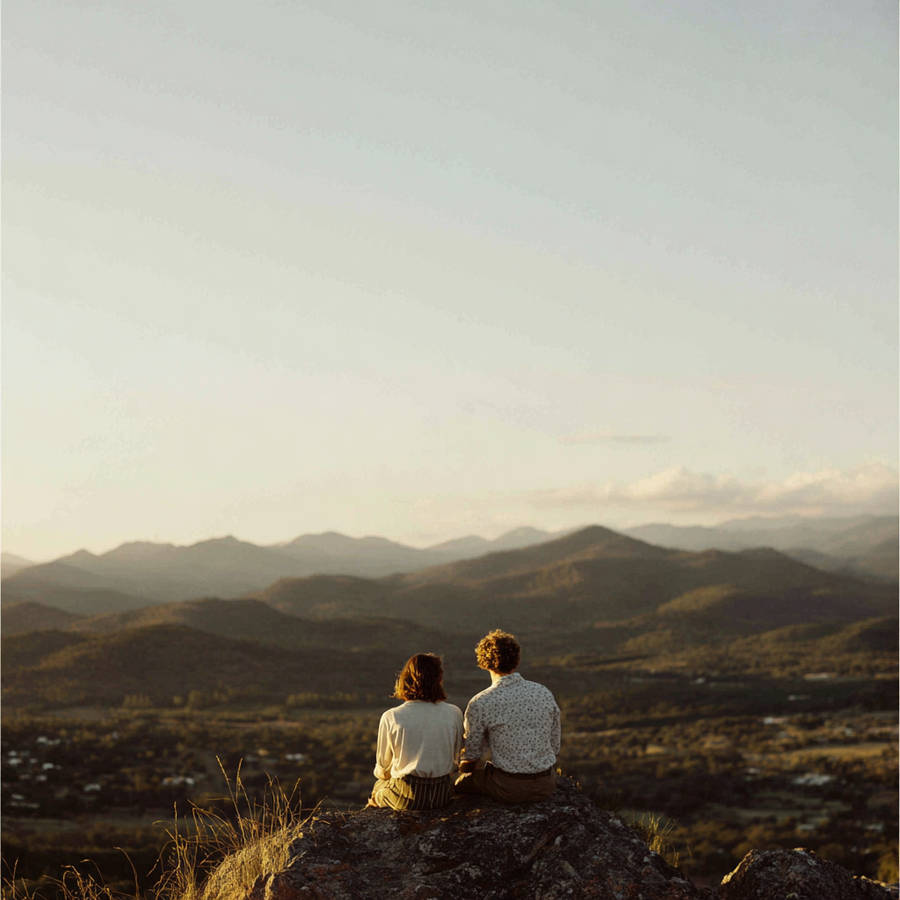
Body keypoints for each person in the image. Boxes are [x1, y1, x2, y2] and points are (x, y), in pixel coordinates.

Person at [454, 629, 560, 803]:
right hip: (546, 784)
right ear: (516, 660)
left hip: (509, 788)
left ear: (484, 662)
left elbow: (472, 755)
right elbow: (554, 746)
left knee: (461, 785)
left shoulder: (481, 702)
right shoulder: (543, 692)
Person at [368, 652, 463, 811]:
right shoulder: (454, 713)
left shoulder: (392, 716)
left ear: (406, 679)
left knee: (379, 786)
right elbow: (457, 758)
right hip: (442, 795)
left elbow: (382, 771)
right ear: (439, 680)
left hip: (407, 798)